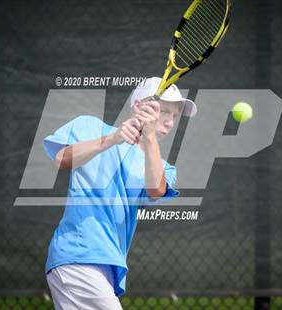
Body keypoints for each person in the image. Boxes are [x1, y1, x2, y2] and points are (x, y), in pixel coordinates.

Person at [43, 77, 197, 309]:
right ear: (138, 105)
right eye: (164, 111)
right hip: (78, 257)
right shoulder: (89, 127)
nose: (169, 122)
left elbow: (156, 190)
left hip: (108, 266)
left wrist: (149, 136)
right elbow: (61, 159)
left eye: (174, 116)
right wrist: (113, 139)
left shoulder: (163, 167)